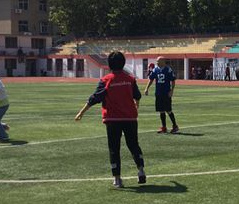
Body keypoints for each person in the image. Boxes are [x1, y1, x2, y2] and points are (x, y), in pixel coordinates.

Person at [75, 51, 145, 188]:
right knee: (133, 145)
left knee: (114, 148)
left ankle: (117, 179)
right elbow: (137, 95)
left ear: (109, 64)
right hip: (130, 118)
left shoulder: (106, 80)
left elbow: (95, 98)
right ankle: (141, 170)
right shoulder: (130, 79)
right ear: (123, 63)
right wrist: (136, 105)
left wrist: (81, 112)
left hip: (113, 119)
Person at [143, 56, 179, 134]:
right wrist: (146, 88)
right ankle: (164, 127)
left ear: (163, 61)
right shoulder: (155, 69)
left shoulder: (168, 70)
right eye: (156, 61)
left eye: (158, 61)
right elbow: (151, 79)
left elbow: (173, 80)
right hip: (158, 93)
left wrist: (172, 91)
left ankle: (175, 126)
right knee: (161, 110)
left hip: (166, 93)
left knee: (168, 110)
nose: (157, 62)